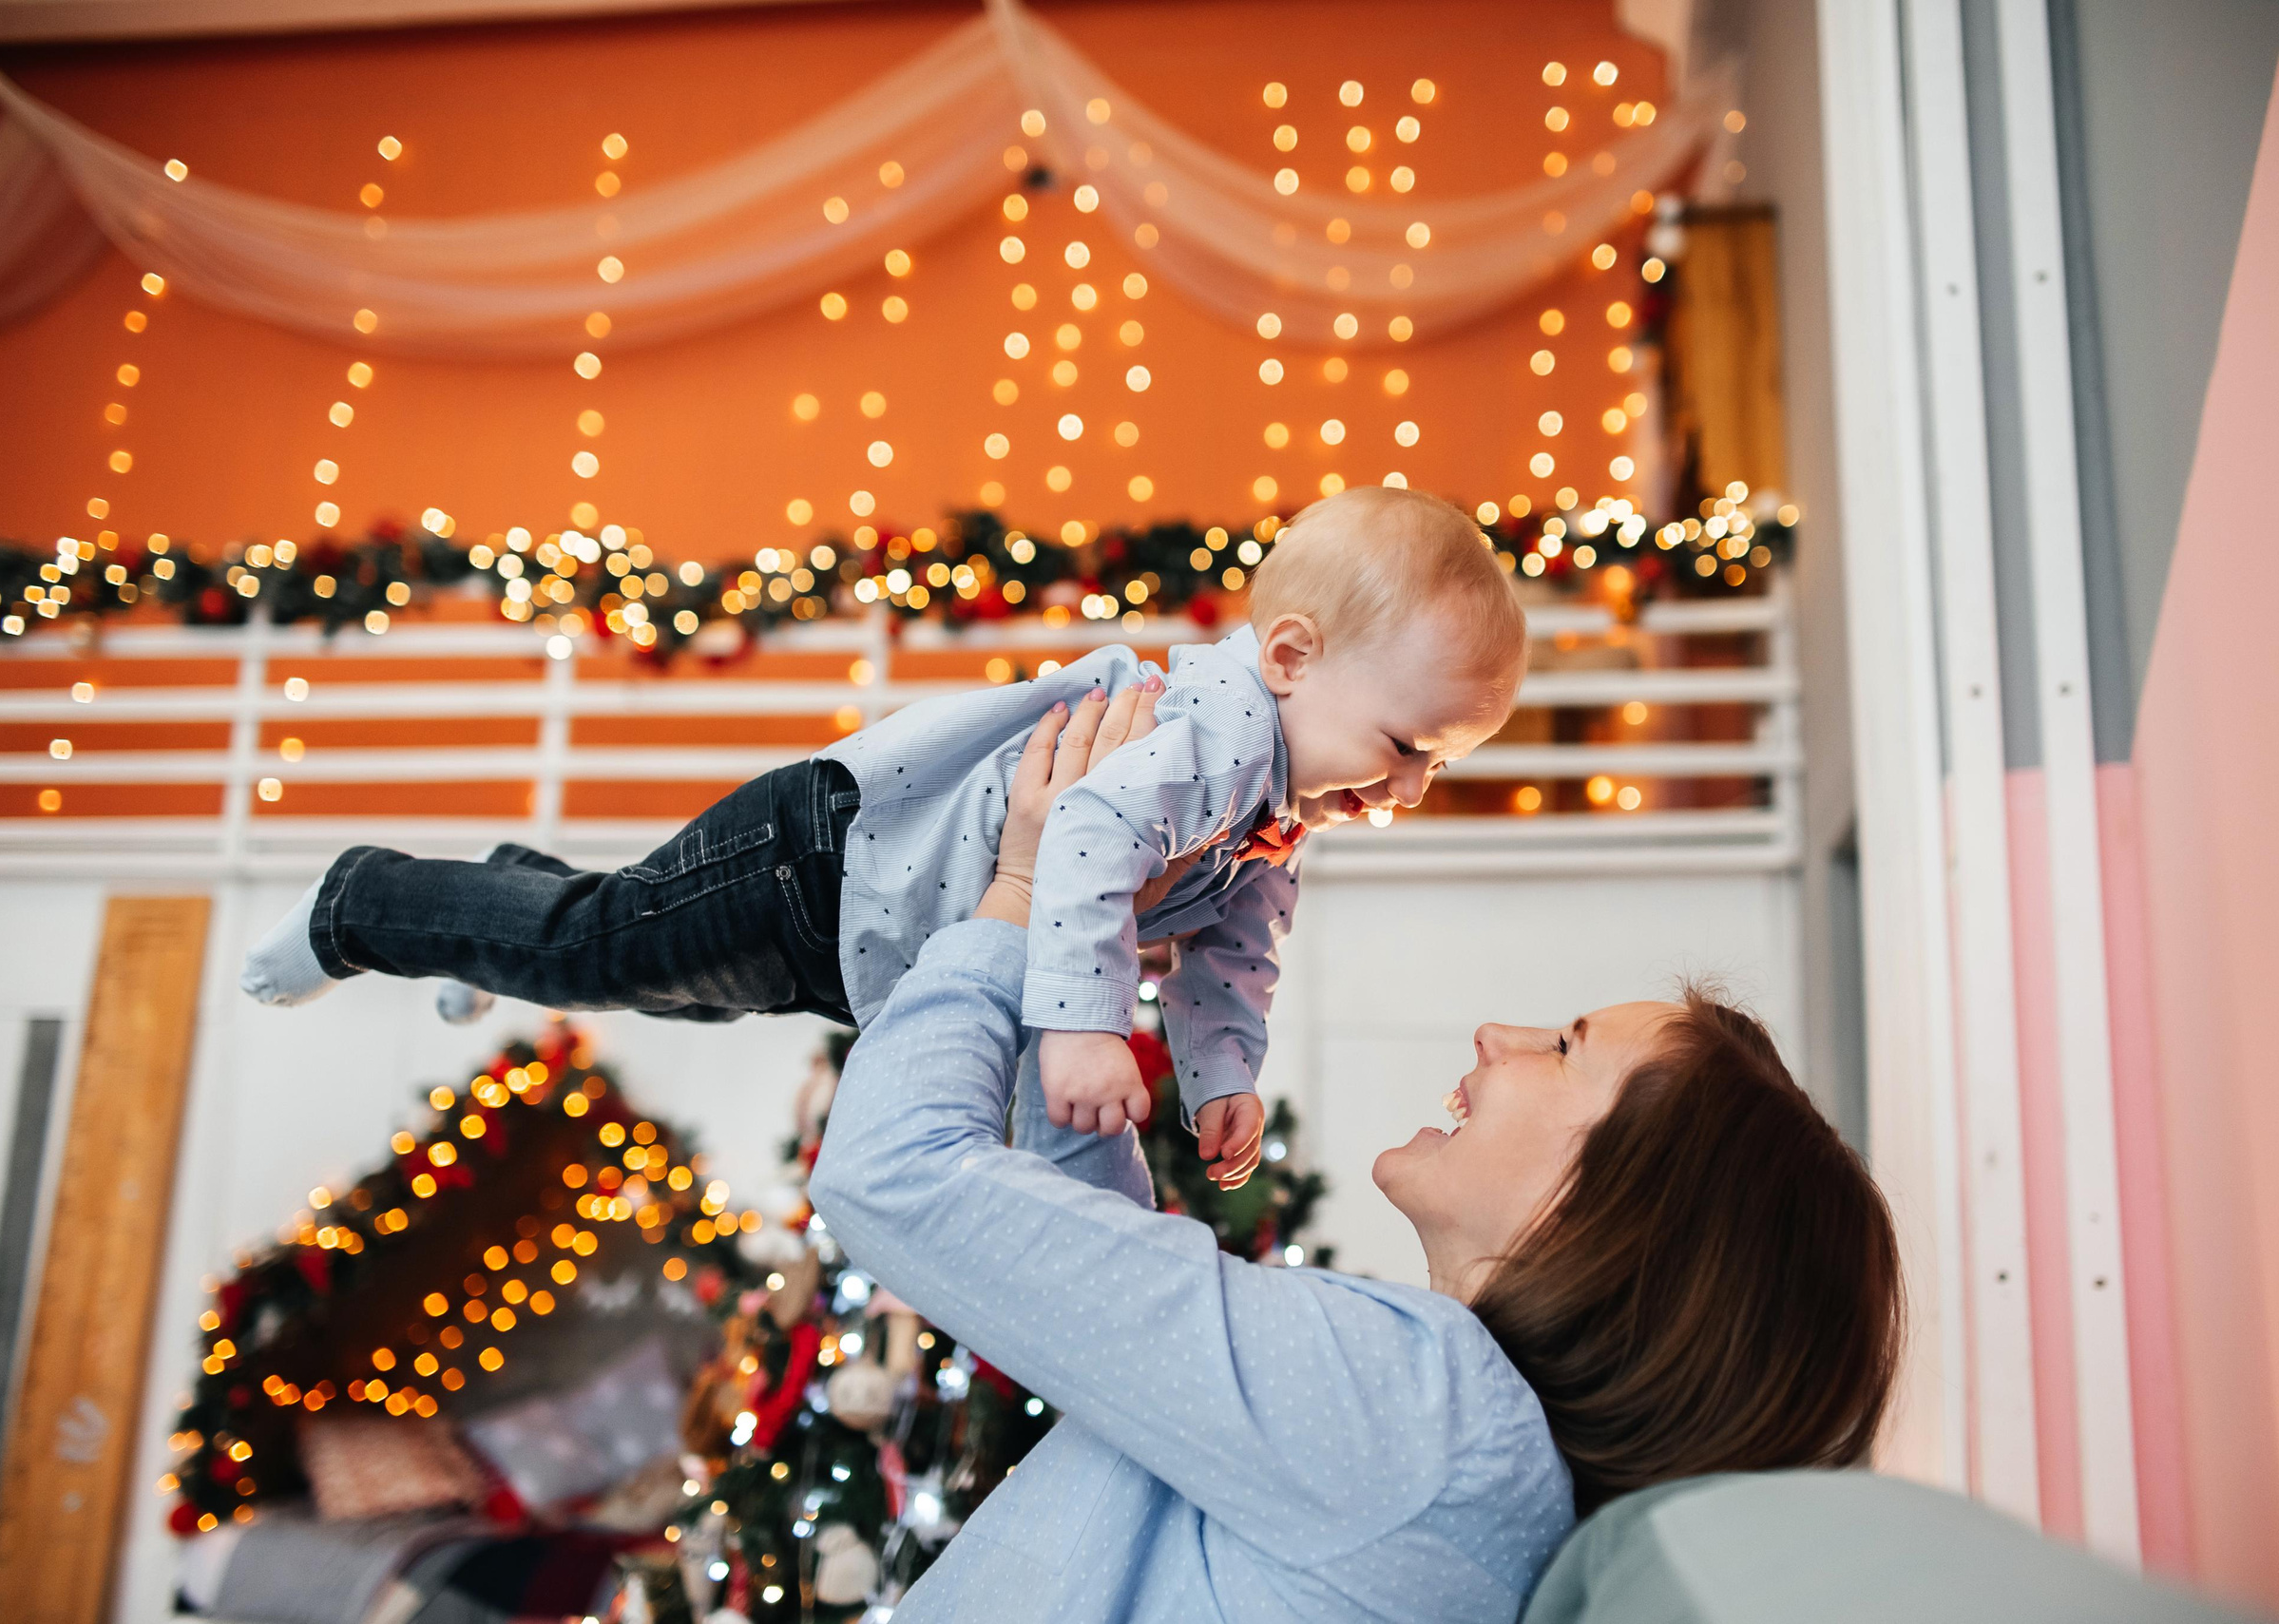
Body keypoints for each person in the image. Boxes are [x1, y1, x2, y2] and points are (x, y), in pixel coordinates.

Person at [808, 684, 1904, 1622]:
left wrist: (1015, 901)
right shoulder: (1473, 1479)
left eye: (1567, 1047)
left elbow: (893, 1170)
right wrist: (1083, 963)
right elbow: (1102, 1296)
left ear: (1622, 1211)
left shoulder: (1426, 1420)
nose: (1499, 1034)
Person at [238, 486, 1526, 1185]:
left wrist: (1222, 1070)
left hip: (869, 932)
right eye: (1404, 744)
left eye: (1440, 764)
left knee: (646, 971)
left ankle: (498, 904)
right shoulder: (1212, 733)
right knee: (605, 950)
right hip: (827, 858)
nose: (1408, 788)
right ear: (1291, 656)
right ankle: (364, 905)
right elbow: (1082, 830)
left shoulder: (1272, 810)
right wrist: (1086, 1026)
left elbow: (1235, 957)